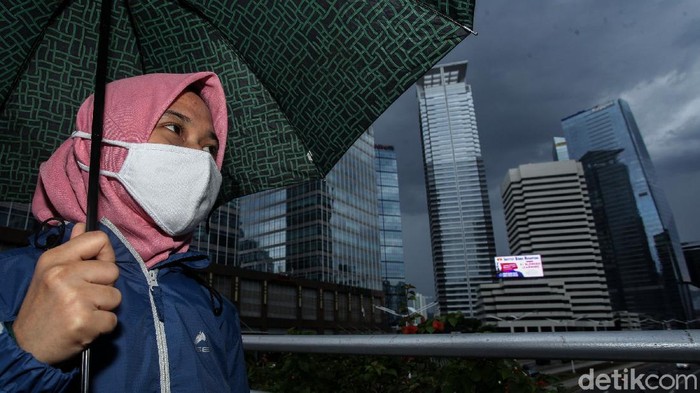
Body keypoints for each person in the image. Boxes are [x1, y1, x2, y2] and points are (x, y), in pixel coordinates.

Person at [0, 72, 250, 392]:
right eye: (174, 128)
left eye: (208, 148)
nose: (198, 160)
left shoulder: (215, 306)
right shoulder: (10, 278)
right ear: (103, 145)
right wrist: (23, 351)